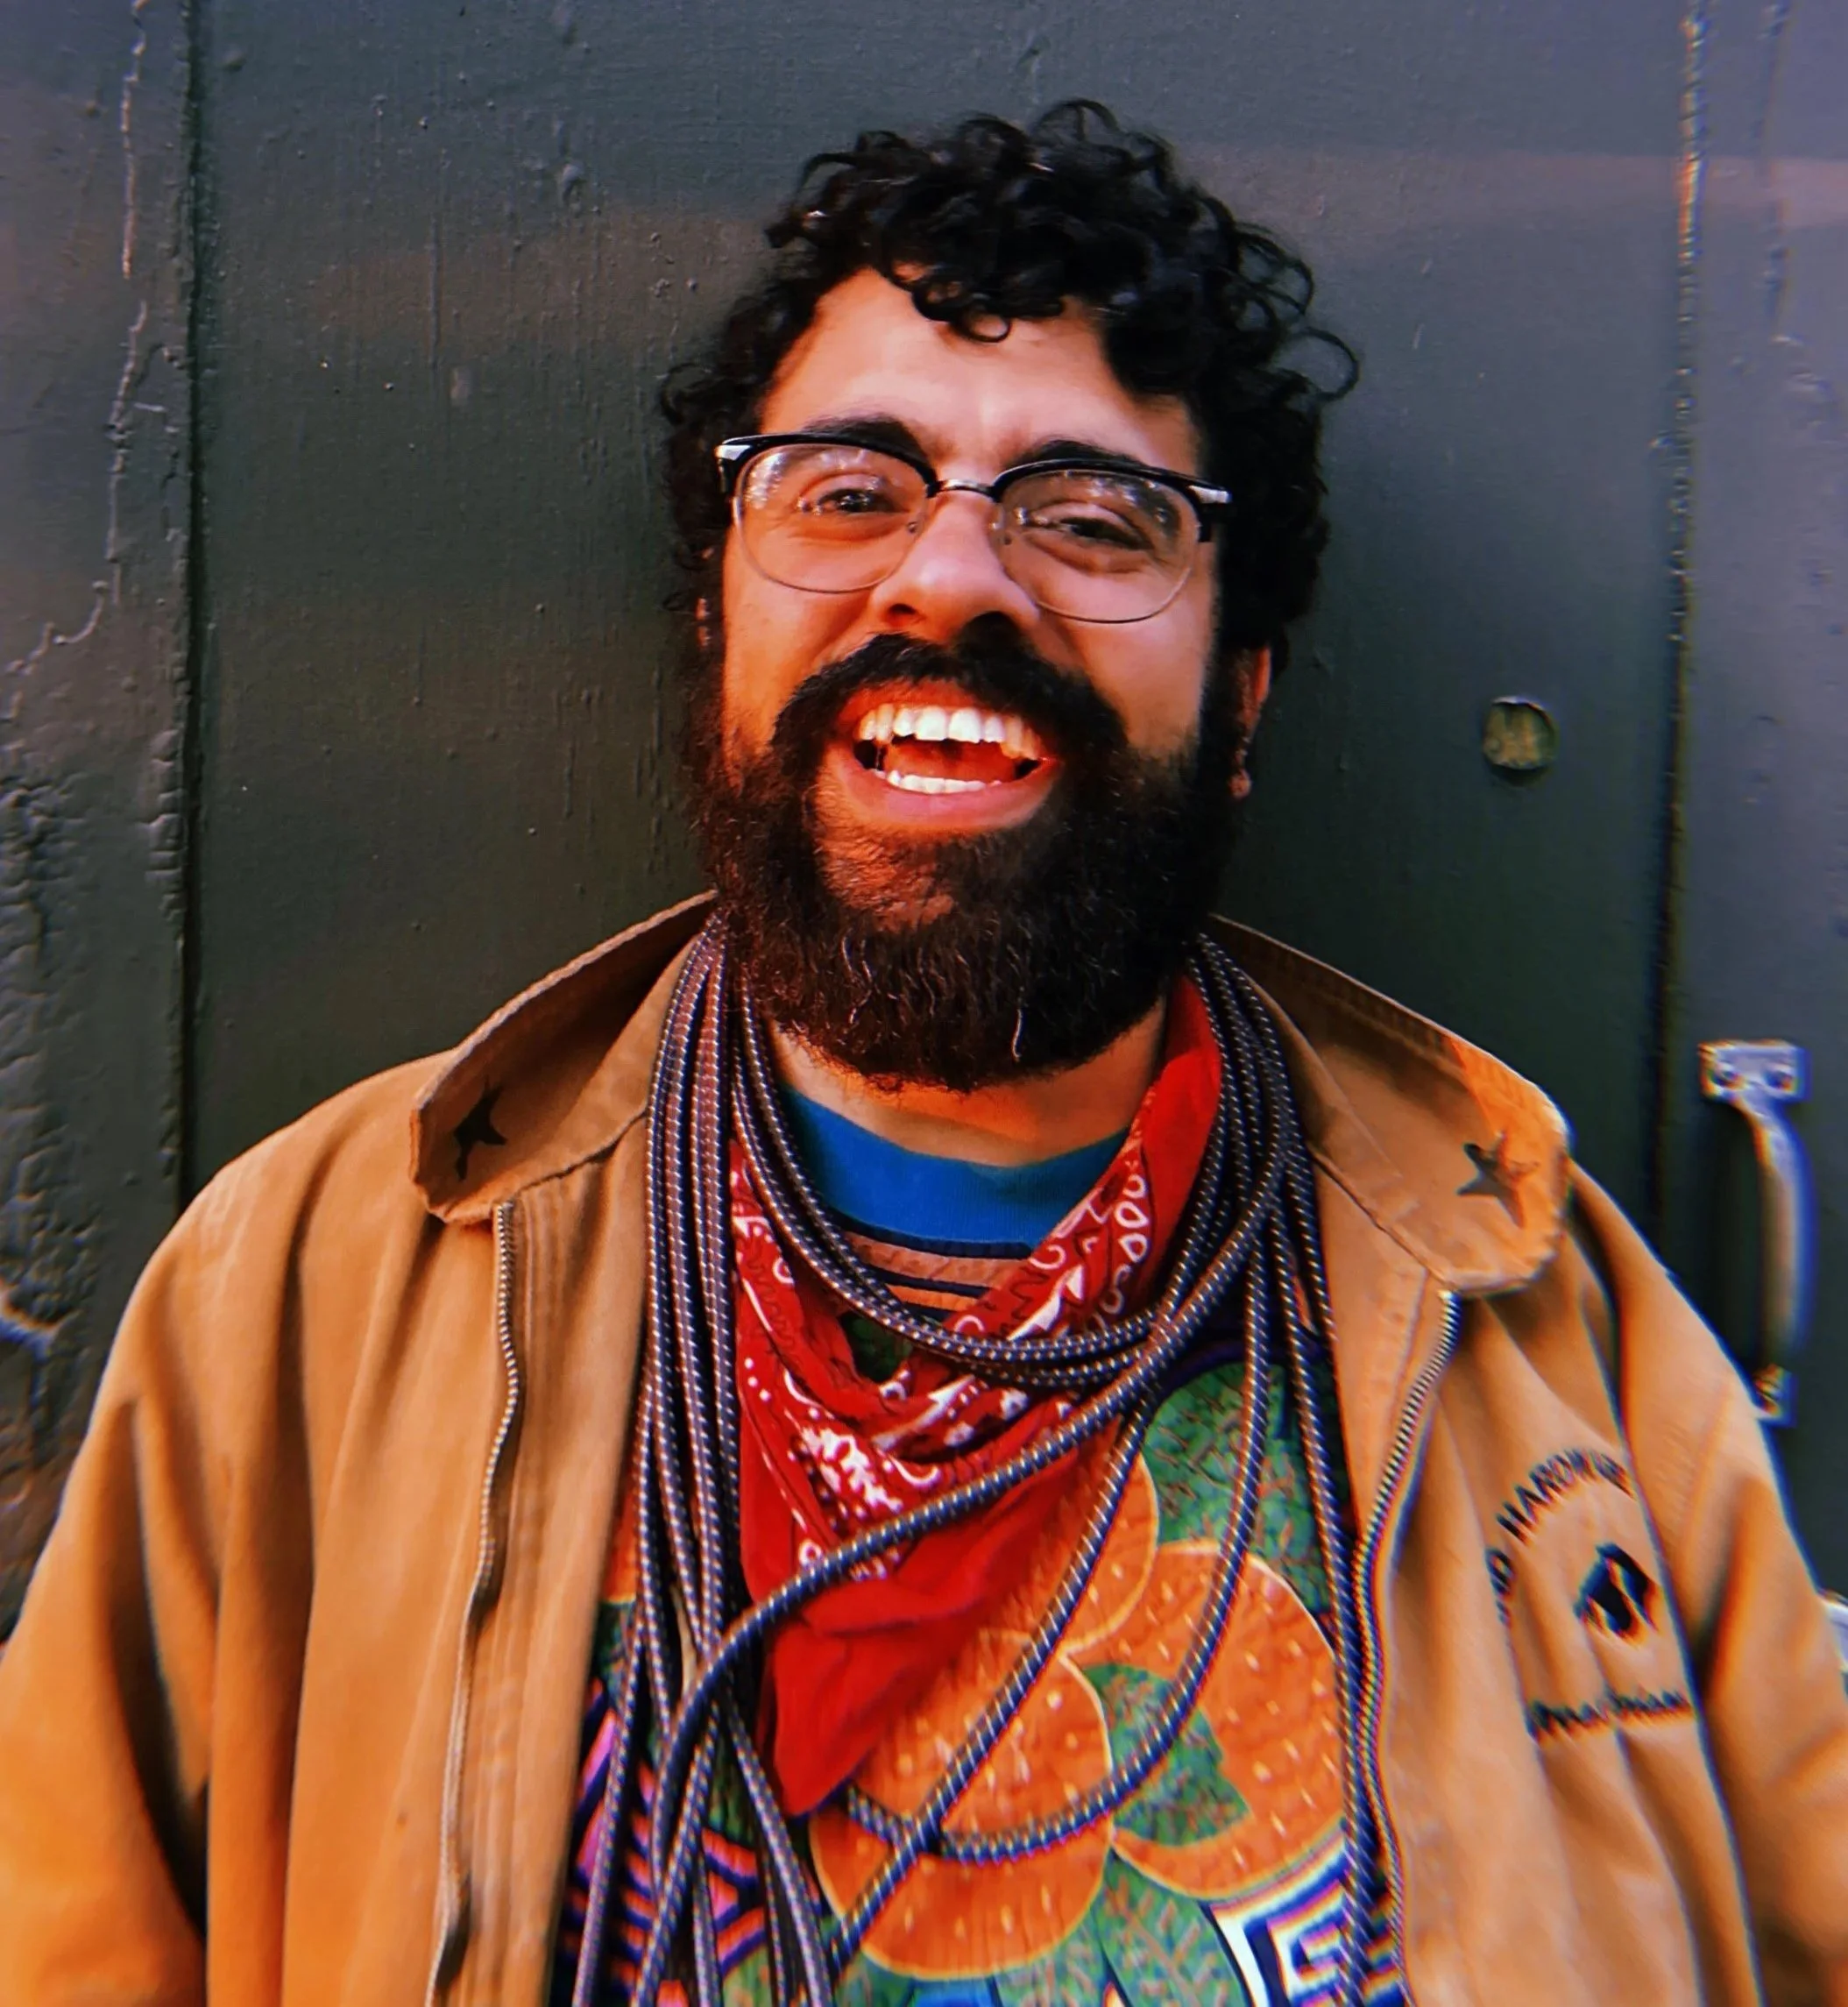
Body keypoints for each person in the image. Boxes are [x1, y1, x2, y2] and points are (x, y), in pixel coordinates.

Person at [0, 99, 1844, 2007]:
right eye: (848, 488)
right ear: (718, 624)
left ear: (1239, 705)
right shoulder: (304, 1294)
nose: (953, 581)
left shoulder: (1557, 1339)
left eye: (1091, 516)